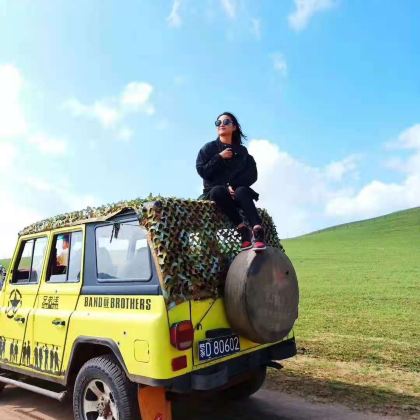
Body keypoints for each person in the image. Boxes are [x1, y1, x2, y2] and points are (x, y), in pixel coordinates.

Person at [196, 112, 266, 251]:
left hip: (238, 194)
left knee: (242, 191)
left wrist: (234, 186)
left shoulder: (242, 152)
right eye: (218, 123)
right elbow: (202, 171)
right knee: (218, 191)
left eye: (226, 122)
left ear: (234, 127)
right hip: (217, 194)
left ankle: (257, 231)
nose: (221, 124)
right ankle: (242, 229)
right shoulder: (208, 149)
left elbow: (252, 174)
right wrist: (219, 157)